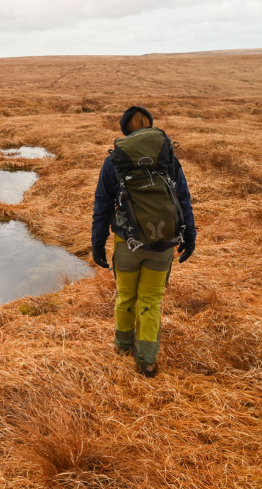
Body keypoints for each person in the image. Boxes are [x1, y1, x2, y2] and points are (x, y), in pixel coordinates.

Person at [91, 106, 196, 377]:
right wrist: (190, 236)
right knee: (151, 300)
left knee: (126, 296)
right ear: (150, 126)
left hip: (128, 243)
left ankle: (122, 346)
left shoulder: (114, 160)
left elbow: (102, 207)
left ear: (124, 131)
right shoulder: (168, 158)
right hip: (164, 244)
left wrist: (97, 243)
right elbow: (183, 199)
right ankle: (147, 361)